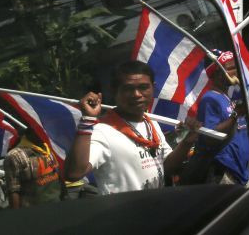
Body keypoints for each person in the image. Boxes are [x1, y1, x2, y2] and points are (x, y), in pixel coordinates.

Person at [65, 60, 200, 194]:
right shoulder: (102, 131)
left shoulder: (152, 124)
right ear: (113, 91)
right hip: (125, 213)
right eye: (128, 88)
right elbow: (74, 173)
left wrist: (187, 143)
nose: (136, 94)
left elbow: (167, 167)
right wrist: (87, 120)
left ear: (153, 88)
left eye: (143, 87)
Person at [182, 50, 249, 185]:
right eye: (231, 68)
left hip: (240, 171)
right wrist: (235, 115)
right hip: (224, 172)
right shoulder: (210, 98)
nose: (236, 71)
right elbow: (210, 137)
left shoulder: (226, 97)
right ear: (217, 73)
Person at [4, 128, 62, 208]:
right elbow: (13, 190)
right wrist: (16, 216)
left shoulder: (50, 146)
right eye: (40, 128)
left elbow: (58, 176)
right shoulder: (15, 156)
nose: (45, 132)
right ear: (30, 131)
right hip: (35, 211)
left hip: (58, 204)